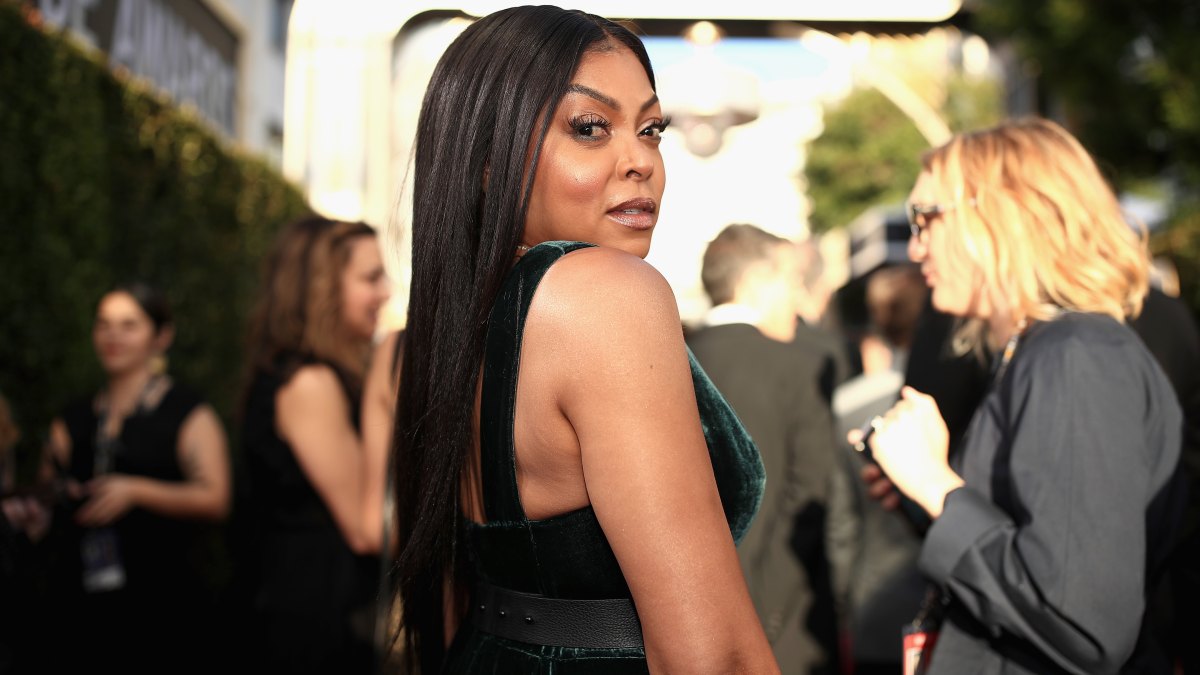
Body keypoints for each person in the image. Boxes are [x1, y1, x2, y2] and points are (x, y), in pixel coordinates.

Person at [390, 6, 778, 674]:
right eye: (590, 128)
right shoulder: (606, 294)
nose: (641, 162)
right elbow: (710, 655)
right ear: (488, 162)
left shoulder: (463, 320)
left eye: (652, 128)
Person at [852, 117, 1186, 674]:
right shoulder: (1043, 350)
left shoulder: (1077, 354)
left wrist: (937, 485)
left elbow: (1082, 618)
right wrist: (918, 489)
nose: (914, 249)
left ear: (1001, 215)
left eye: (925, 218)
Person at [14, 282, 232, 675]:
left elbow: (216, 498)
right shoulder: (75, 417)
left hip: (162, 610)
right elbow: (45, 493)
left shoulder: (187, 413)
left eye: (129, 325)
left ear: (161, 337)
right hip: (79, 612)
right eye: (104, 324)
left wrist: (136, 491)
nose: (113, 336)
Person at [238, 215, 392, 674]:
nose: (385, 291)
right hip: (314, 622)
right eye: (371, 277)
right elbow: (367, 530)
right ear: (321, 287)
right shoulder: (308, 382)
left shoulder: (324, 373)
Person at [687, 224, 842, 673]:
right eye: (789, 281)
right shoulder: (801, 369)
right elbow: (809, 496)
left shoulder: (668, 363)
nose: (797, 298)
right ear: (755, 284)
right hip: (788, 632)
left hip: (685, 631)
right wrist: (764, 613)